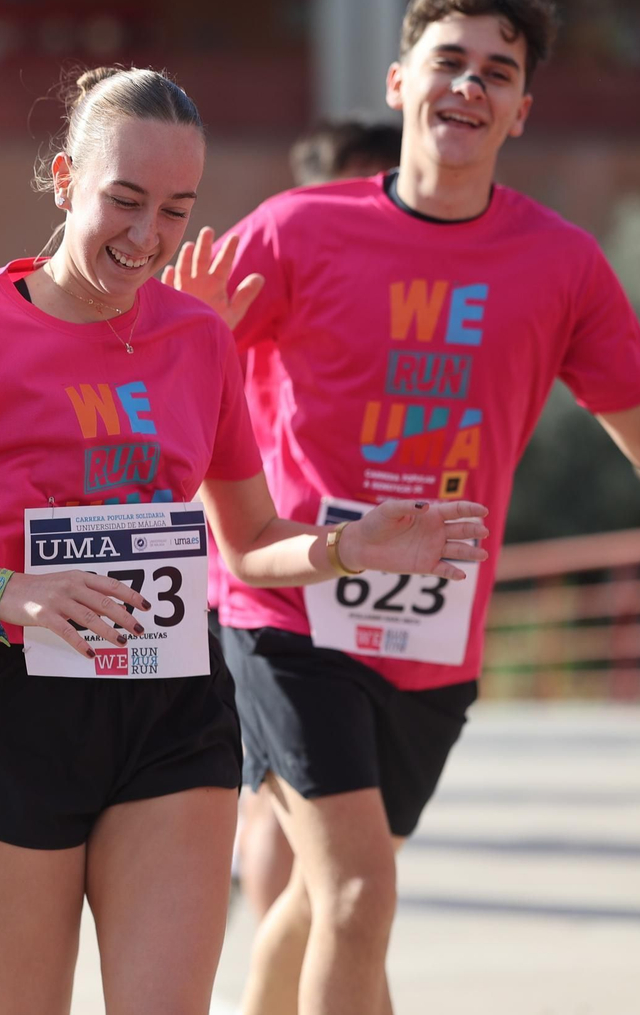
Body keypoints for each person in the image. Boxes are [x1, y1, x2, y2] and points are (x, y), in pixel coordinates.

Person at [0, 65, 489, 1015]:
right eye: (123, 200)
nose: (146, 237)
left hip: (169, 704)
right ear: (63, 177)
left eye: (175, 210)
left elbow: (248, 545)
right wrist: (8, 592)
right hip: (7, 709)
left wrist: (348, 550)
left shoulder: (201, 339)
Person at [168, 0, 640, 1013]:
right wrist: (188, 342)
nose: (469, 86)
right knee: (358, 888)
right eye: (448, 62)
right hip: (286, 601)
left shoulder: (560, 262)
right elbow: (182, 402)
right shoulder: (297, 230)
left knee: (326, 897)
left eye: (497, 72)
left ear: (521, 110)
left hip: (432, 631)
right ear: (401, 81)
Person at [231, 117, 404, 925]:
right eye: (360, 186)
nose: (375, 205)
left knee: (344, 880)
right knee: (287, 822)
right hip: (267, 571)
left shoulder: (400, 285)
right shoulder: (278, 261)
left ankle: (292, 972)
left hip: (385, 581)